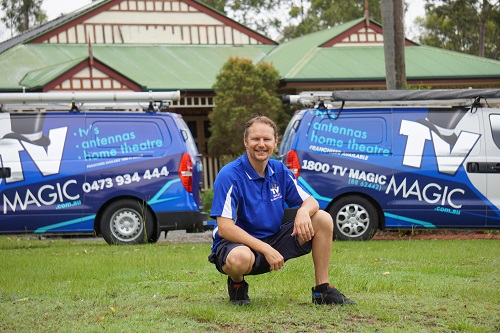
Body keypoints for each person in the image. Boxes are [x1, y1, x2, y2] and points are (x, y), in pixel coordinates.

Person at [208, 115, 356, 306]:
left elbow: (311, 202)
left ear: (275, 142)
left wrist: (303, 212)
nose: (261, 144)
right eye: (255, 139)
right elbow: (225, 228)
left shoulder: (278, 170)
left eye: (267, 139)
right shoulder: (229, 175)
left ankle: (322, 290)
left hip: (273, 238)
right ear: (245, 141)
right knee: (240, 258)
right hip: (237, 246)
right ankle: (237, 285)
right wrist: (266, 249)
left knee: (322, 219)